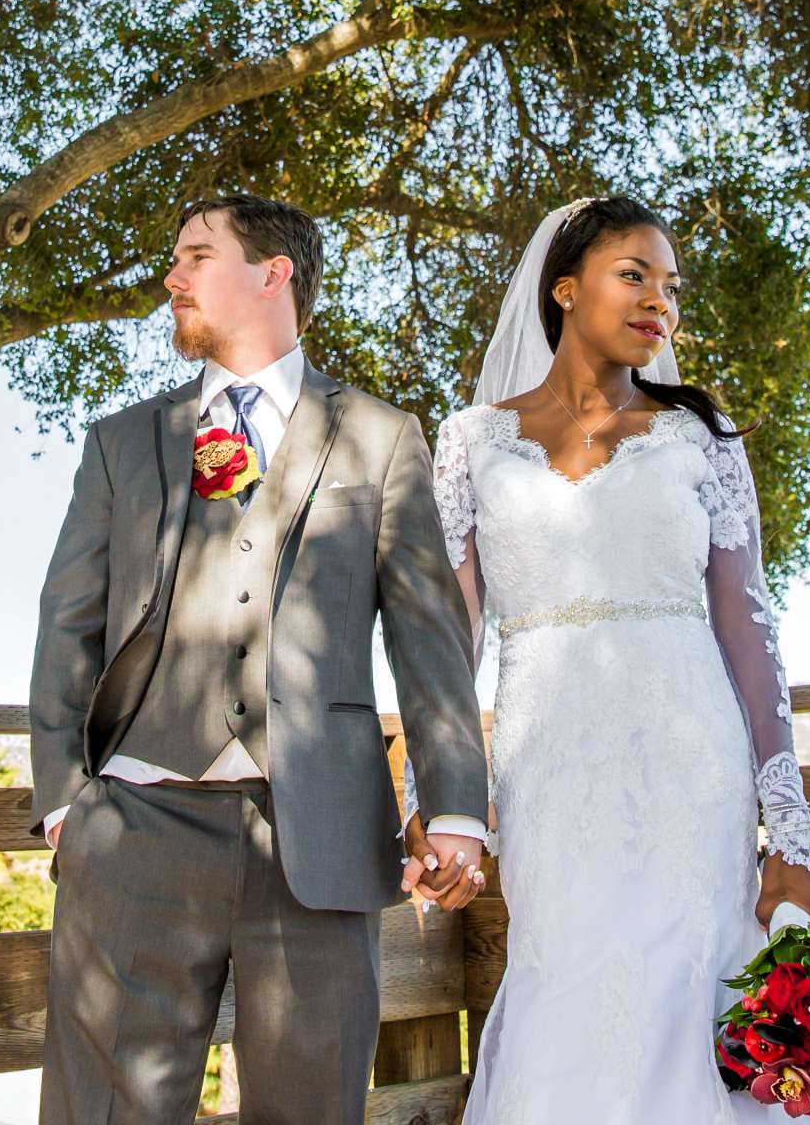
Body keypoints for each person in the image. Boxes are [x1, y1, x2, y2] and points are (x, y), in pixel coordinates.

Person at [24, 193, 491, 1125]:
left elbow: (429, 638)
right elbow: (66, 629)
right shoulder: (121, 445)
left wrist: (454, 810)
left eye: (197, 254)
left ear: (273, 274)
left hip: (315, 836)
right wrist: (66, 806)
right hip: (134, 832)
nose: (173, 276)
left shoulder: (382, 436)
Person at [418, 194, 810, 1122]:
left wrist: (791, 825)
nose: (661, 301)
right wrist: (439, 798)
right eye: (634, 276)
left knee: (696, 981)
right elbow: (446, 644)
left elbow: (749, 630)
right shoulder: (468, 444)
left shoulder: (702, 436)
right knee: (567, 981)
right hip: (549, 774)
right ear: (565, 289)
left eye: (671, 286)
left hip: (695, 770)